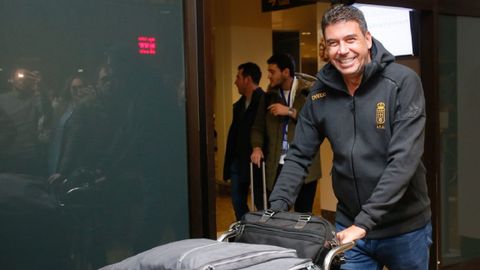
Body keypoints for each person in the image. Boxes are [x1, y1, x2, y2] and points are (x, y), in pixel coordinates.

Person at [268, 4, 432, 270]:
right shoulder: (320, 93)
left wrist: (364, 223)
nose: (342, 50)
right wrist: (275, 208)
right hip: (349, 226)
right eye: (333, 42)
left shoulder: (402, 83)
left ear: (367, 39)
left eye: (350, 39)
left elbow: (403, 161)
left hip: (403, 228)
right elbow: (299, 156)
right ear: (325, 47)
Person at [250, 53, 321, 213]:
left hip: (305, 165)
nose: (268, 76)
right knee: (276, 211)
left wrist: (289, 111)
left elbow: (317, 123)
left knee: (303, 212)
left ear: (286, 72)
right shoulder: (269, 96)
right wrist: (256, 146)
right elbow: (257, 127)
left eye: (272, 71)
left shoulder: (309, 92)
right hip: (276, 164)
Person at [223, 62, 265, 221]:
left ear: (247, 79)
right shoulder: (239, 106)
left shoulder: (264, 101)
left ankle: (260, 233)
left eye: (238, 77)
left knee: (262, 203)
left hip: (256, 163)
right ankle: (245, 230)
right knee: (237, 200)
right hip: (238, 162)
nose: (235, 81)